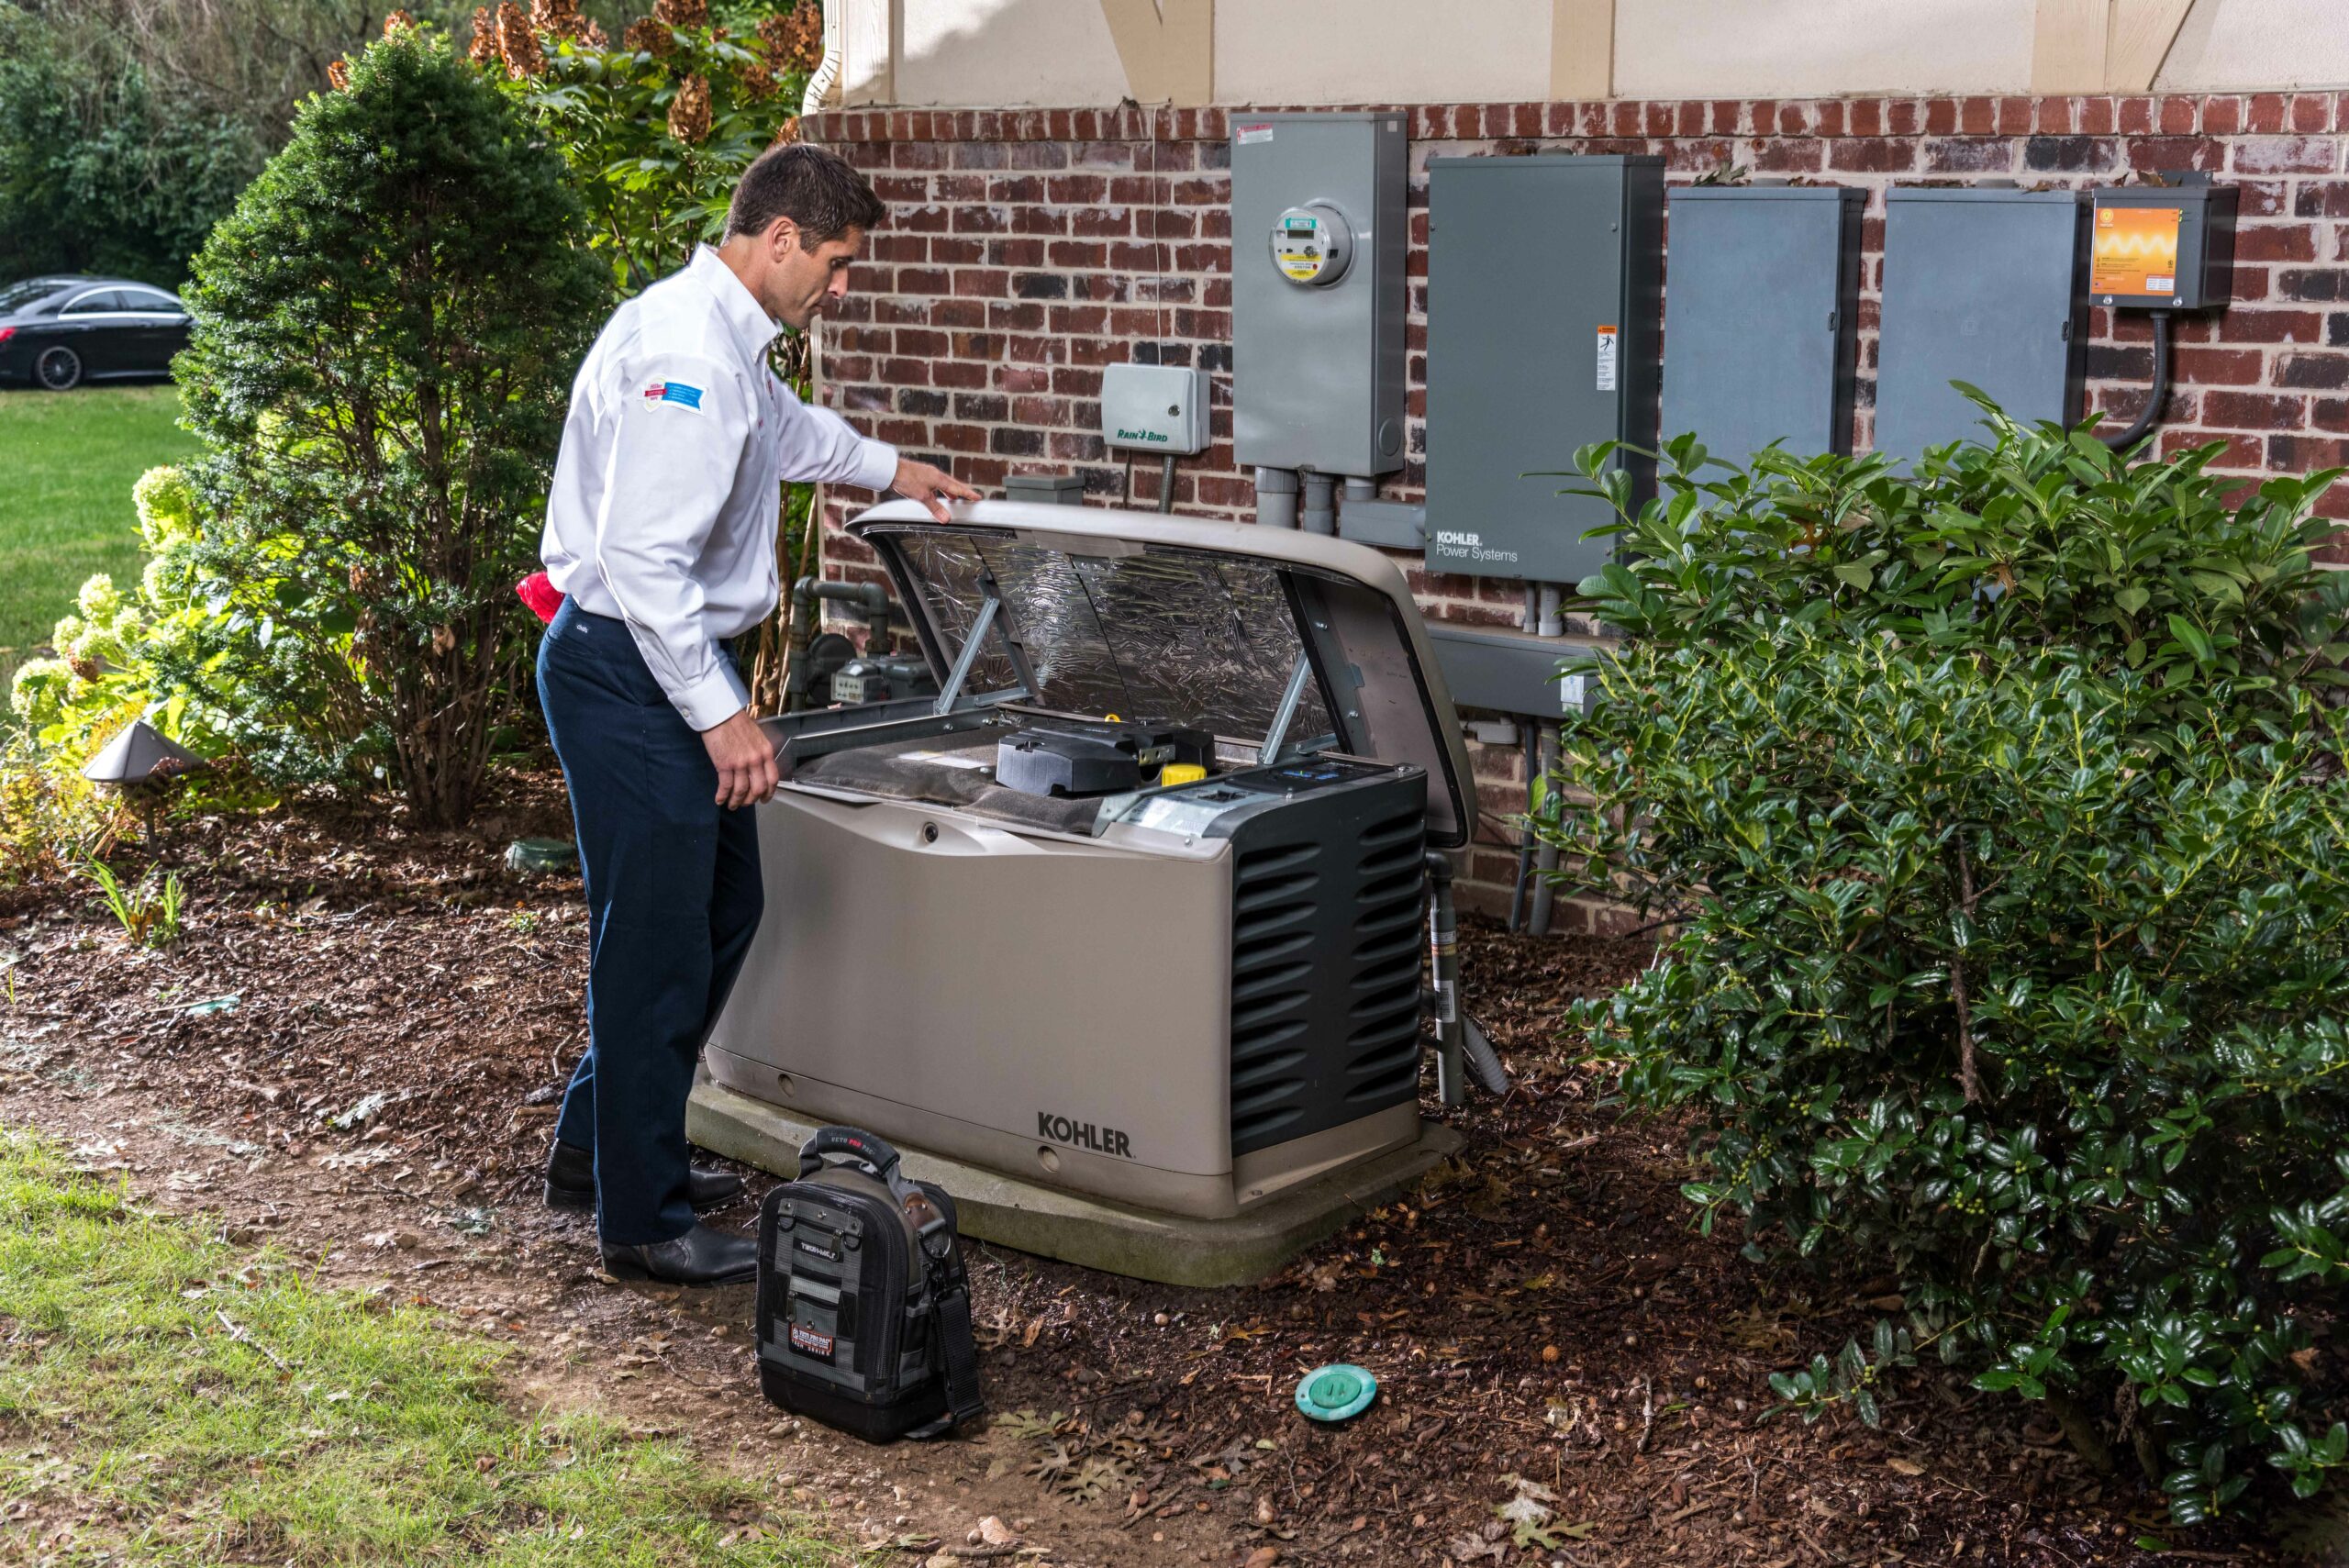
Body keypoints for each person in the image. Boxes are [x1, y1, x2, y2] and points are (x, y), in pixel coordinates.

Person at [534, 144, 978, 1285]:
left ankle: (597, 1147)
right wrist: (720, 713)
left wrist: (899, 468)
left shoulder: (726, 342)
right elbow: (640, 558)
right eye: (833, 264)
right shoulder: (688, 352)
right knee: (659, 940)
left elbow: (788, 437)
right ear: (778, 239)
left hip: (654, 668)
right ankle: (644, 1219)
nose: (838, 288)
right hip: (634, 669)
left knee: (720, 906)